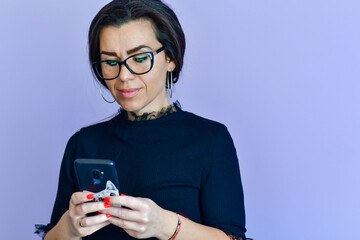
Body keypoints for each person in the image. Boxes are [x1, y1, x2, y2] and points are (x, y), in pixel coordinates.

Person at [36, 0, 247, 239]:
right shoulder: (83, 143)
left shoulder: (211, 139)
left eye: (140, 58)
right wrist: (69, 228)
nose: (124, 76)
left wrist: (166, 225)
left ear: (170, 59)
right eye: (110, 62)